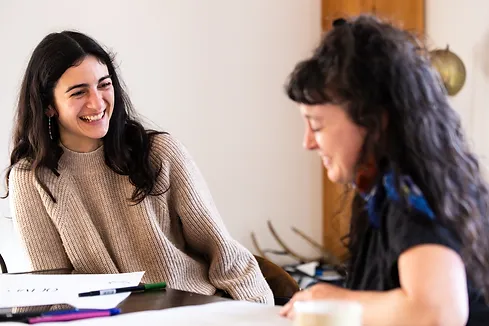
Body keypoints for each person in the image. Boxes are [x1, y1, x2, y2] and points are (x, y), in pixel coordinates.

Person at [4, 30, 273, 305]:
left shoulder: (159, 153)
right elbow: (53, 292)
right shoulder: (30, 178)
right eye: (78, 92)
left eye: (104, 85)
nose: (97, 103)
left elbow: (224, 253)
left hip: (193, 311)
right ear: (49, 105)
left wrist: (261, 314)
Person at [279, 15, 489, 325]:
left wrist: (338, 301)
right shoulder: (396, 186)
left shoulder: (408, 191)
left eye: (317, 125)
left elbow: (437, 312)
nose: (307, 142)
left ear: (375, 121)